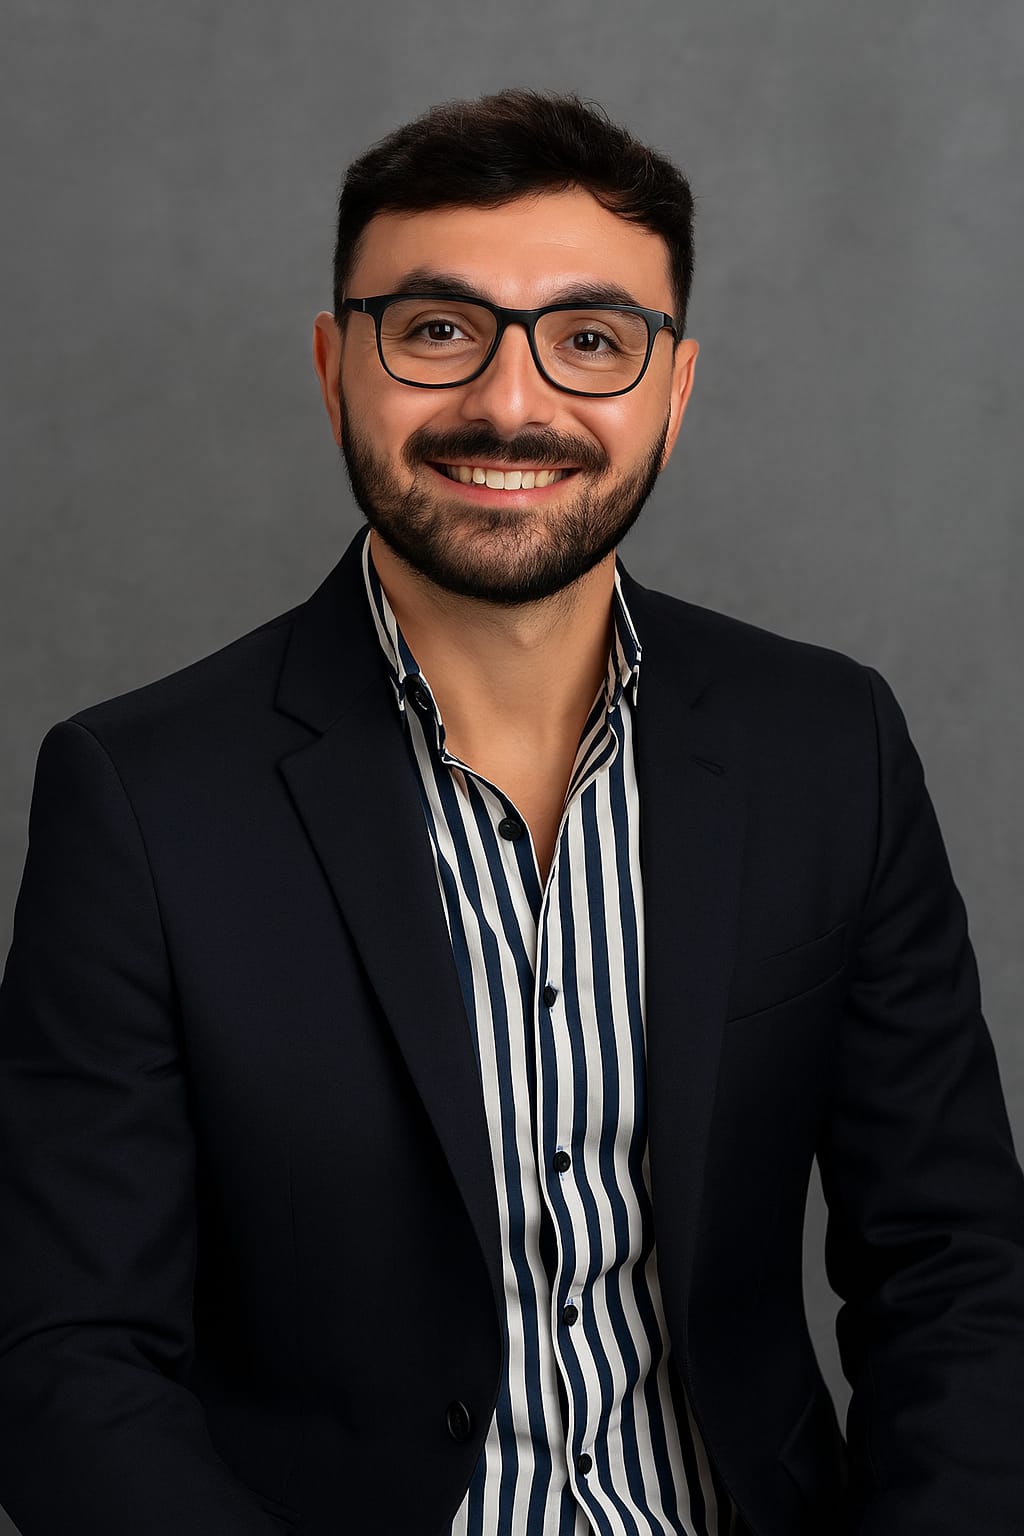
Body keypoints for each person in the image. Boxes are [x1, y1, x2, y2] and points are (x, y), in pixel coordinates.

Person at [0, 87, 1022, 1536]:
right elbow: (62, 1360)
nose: (511, 403)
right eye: (437, 329)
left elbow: (958, 1269)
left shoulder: (827, 745)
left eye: (590, 340)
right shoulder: (140, 796)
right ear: (334, 369)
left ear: (674, 395)